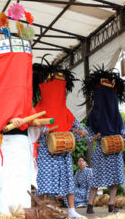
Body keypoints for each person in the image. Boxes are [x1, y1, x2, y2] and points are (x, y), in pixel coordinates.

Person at [0, 37, 41, 215]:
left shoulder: (23, 97)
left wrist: (32, 123)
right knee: (6, 188)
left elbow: (30, 118)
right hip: (4, 144)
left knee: (22, 185)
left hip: (21, 145)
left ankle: (21, 215)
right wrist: (6, 121)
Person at [33, 61, 87, 219]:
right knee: (43, 182)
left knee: (68, 181)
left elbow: (76, 125)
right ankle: (39, 211)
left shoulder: (65, 110)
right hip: (46, 151)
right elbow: (34, 127)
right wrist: (45, 130)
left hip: (63, 152)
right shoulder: (39, 108)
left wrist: (81, 131)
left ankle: (72, 211)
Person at [81, 67, 125, 214]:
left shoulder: (116, 114)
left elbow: (122, 129)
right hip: (101, 148)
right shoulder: (94, 113)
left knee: (115, 178)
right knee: (96, 178)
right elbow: (88, 132)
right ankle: (90, 205)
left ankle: (111, 204)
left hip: (115, 149)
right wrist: (92, 138)